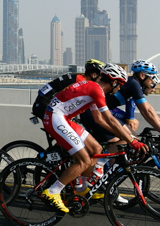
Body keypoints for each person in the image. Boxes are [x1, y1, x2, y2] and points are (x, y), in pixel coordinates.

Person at [41, 64, 146, 213]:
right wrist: (131, 140)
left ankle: (82, 188)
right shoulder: (96, 89)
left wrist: (126, 136)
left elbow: (99, 120)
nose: (119, 90)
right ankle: (53, 191)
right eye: (120, 85)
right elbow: (109, 119)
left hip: (65, 118)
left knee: (96, 149)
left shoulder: (95, 89)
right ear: (114, 82)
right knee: (84, 160)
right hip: (55, 117)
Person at [32, 59, 105, 118]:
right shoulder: (81, 81)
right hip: (44, 103)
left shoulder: (78, 77)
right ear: (94, 75)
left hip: (43, 101)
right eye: (101, 77)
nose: (101, 80)